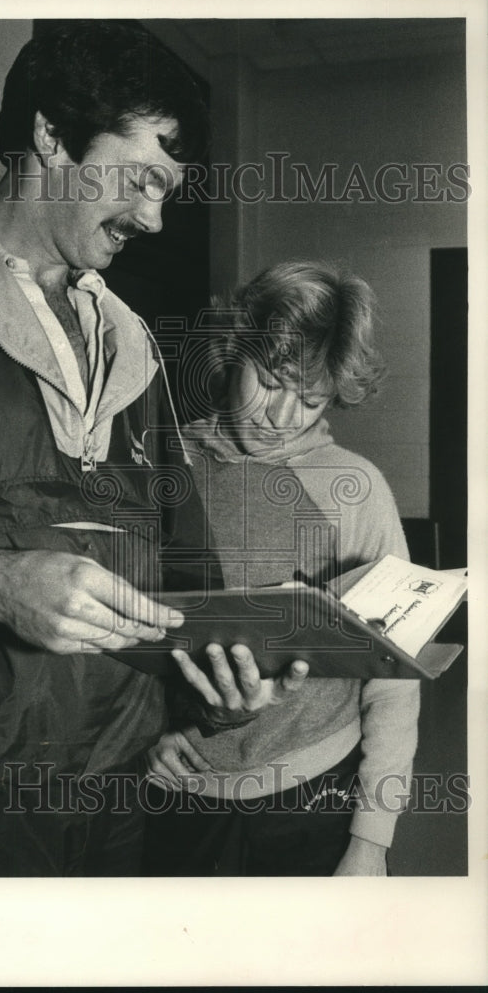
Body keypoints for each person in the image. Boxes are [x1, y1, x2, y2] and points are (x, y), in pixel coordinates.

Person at [0, 21, 305, 878]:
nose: (154, 216)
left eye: (168, 189)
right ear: (50, 135)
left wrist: (216, 682)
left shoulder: (132, 341)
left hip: (113, 788)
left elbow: (182, 559)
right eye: (138, 179)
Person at [143, 261, 420, 877]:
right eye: (269, 382)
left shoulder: (357, 490)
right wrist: (142, 738)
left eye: (311, 398)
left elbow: (394, 683)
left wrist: (371, 841)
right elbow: (121, 633)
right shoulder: (165, 463)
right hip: (181, 789)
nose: (281, 416)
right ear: (231, 353)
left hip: (316, 790)